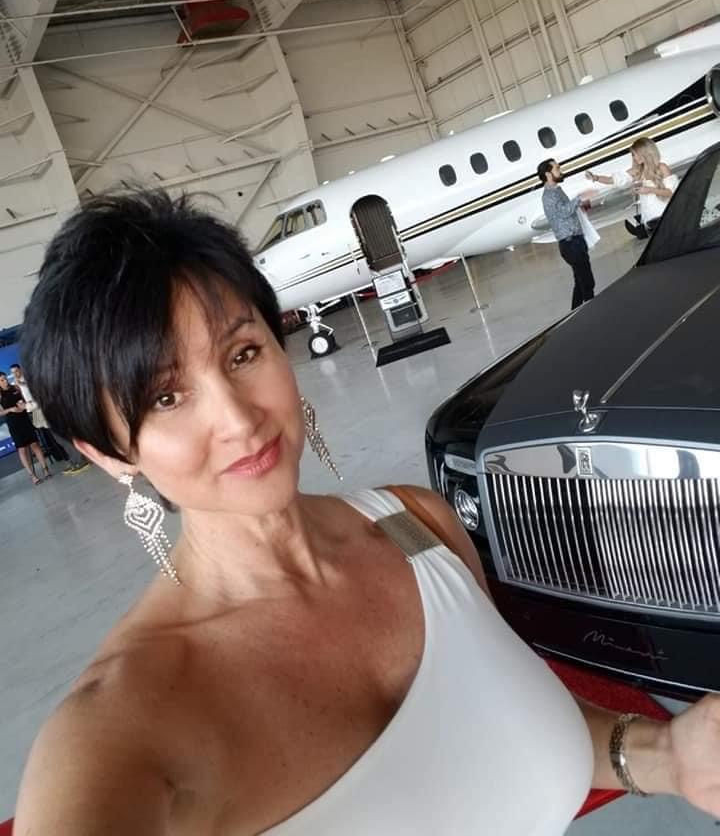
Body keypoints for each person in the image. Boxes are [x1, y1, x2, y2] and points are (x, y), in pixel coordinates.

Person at [14, 189, 720, 836]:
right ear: (108, 452)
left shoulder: (417, 525)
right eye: (166, 397)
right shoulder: (115, 730)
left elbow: (512, 732)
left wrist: (665, 754)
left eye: (243, 353)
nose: (238, 419)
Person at [586, 137, 679, 239]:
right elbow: (613, 180)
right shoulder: (638, 171)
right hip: (650, 219)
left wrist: (650, 190)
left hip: (666, 215)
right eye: (633, 155)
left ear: (645, 153)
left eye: (635, 154)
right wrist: (595, 177)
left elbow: (671, 193)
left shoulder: (662, 167)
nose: (634, 158)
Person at [10, 362, 89, 474]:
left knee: (62, 437)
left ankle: (80, 461)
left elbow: (40, 399)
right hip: (38, 412)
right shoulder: (18, 385)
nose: (15, 374)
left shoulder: (30, 382)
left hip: (47, 410)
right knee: (59, 439)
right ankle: (75, 460)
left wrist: (26, 406)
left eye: (17, 371)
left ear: (21, 370)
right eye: (13, 373)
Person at [539, 158, 595, 310]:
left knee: (580, 281)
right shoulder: (549, 196)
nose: (560, 171)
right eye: (557, 169)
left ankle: (575, 312)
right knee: (587, 282)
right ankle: (592, 311)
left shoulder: (556, 190)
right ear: (548, 174)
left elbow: (564, 212)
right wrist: (580, 198)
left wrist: (580, 205)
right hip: (570, 244)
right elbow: (563, 212)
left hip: (575, 241)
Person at [0, 371, 51, 486]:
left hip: (24, 419)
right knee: (22, 449)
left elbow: (25, 400)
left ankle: (45, 469)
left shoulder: (15, 388)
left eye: (5, 378)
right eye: (2, 380)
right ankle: (33, 476)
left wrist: (23, 406)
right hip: (14, 423)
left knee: (35, 444)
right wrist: (10, 410)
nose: (5, 381)